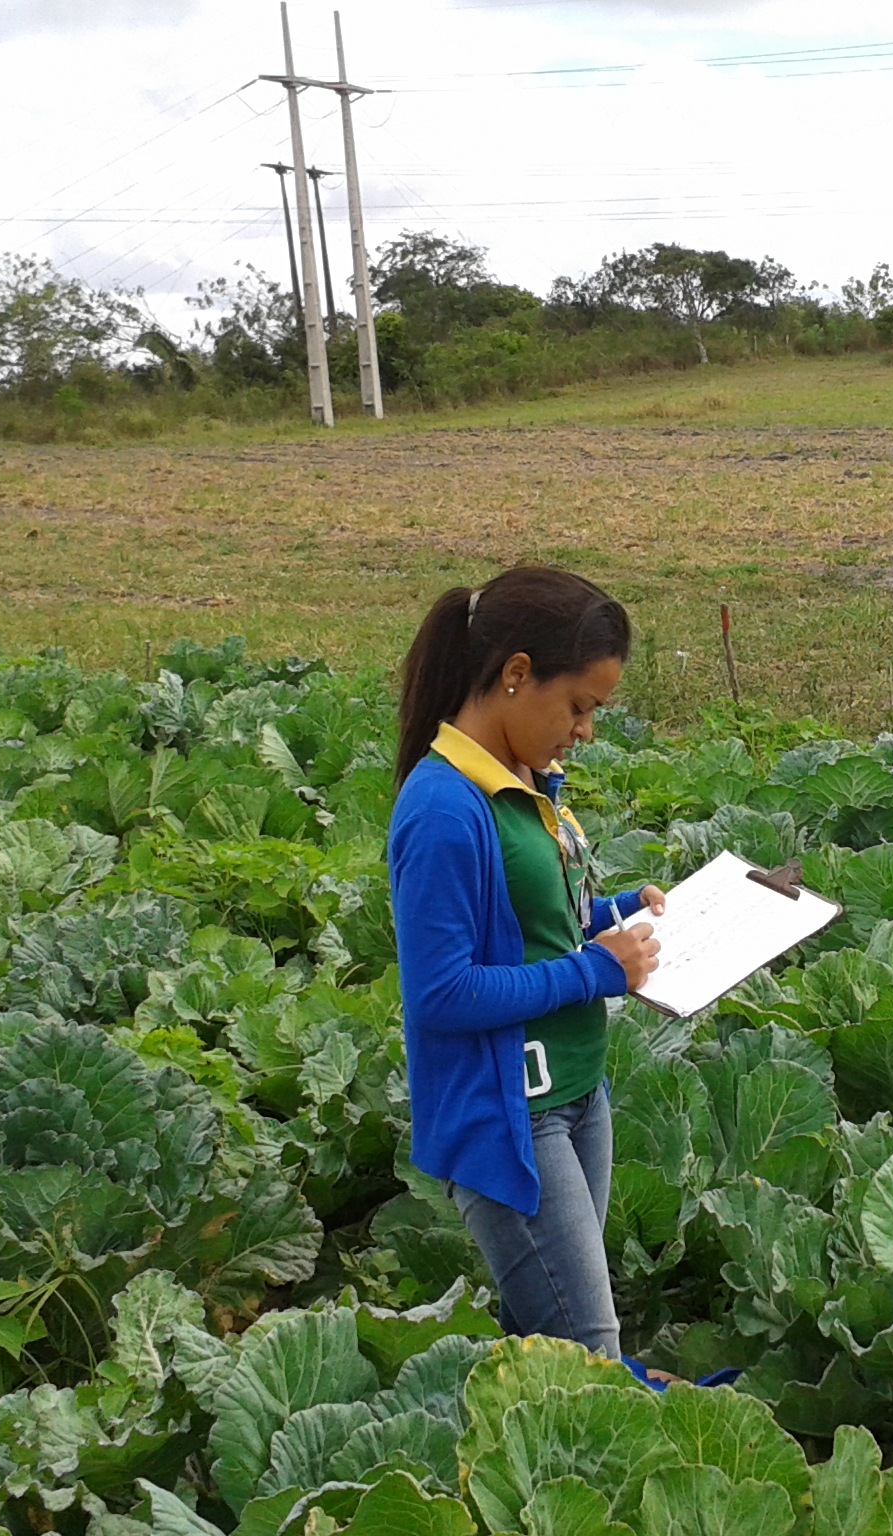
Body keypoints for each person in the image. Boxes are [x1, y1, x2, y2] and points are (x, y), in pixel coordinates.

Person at [385, 565, 664, 1360]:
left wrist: (619, 920)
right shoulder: (442, 809)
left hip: (576, 1092)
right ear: (516, 675)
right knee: (589, 1352)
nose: (585, 731)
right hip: (508, 1118)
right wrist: (597, 972)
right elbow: (442, 991)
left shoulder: (524, 779)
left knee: (546, 1333)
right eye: (578, 707)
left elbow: (542, 926)